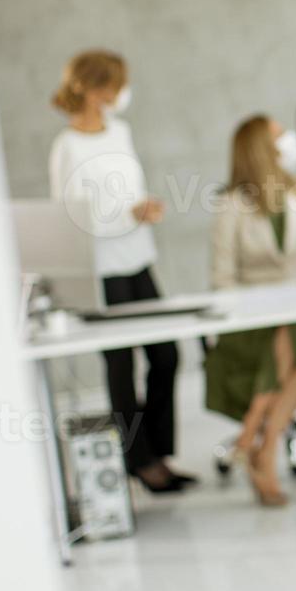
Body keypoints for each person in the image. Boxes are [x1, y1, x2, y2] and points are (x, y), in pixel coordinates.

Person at [48, 49, 195, 494]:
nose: (122, 93)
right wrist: (126, 214)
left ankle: (158, 454)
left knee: (166, 356)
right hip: (101, 269)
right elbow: (66, 216)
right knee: (120, 365)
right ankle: (141, 462)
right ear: (96, 90)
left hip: (138, 258)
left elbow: (127, 188)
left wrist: (143, 207)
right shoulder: (67, 146)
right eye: (117, 84)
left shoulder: (122, 131)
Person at [204, 115, 296, 507]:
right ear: (261, 149)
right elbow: (223, 277)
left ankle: (255, 439)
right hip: (252, 322)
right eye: (279, 134)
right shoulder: (232, 204)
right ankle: (261, 447)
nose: (289, 139)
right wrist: (260, 310)